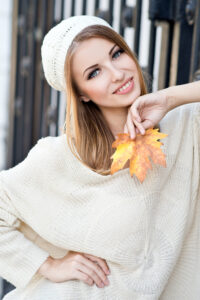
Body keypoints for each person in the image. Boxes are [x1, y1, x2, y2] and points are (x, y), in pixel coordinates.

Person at [0, 15, 199, 300]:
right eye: (94, 72)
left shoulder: (185, 126)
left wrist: (169, 99)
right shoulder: (59, 157)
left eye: (117, 54)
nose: (117, 73)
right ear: (80, 94)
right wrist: (48, 266)